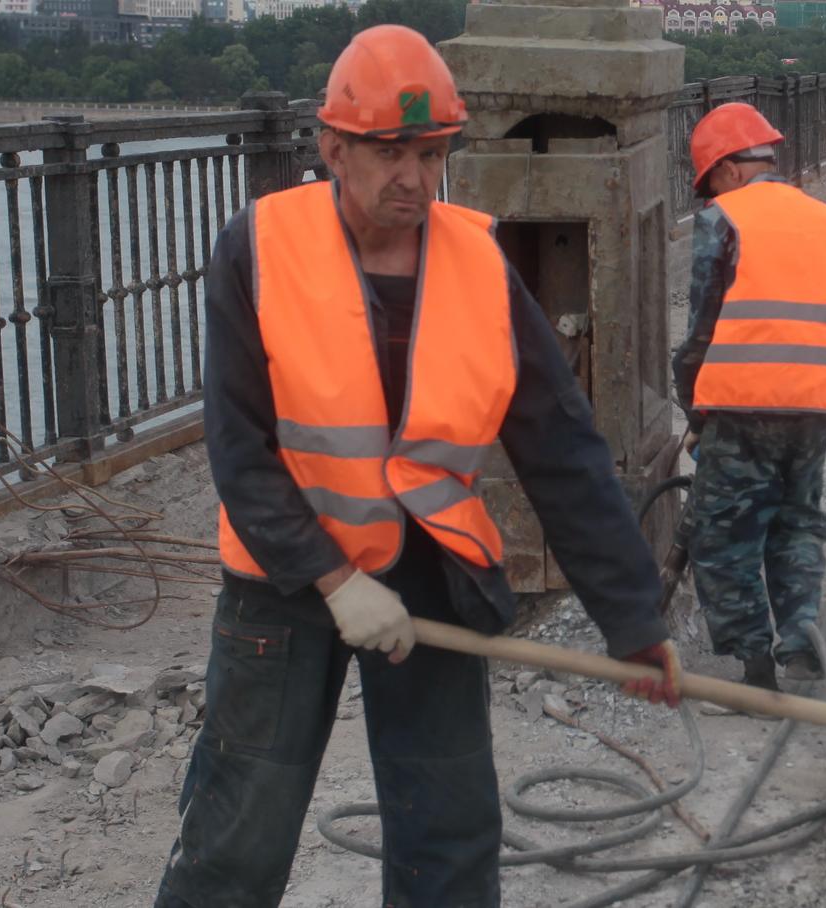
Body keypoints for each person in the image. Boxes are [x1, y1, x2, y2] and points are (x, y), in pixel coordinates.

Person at [156, 25, 684, 908]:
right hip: (286, 578)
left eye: (430, 152)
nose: (412, 176)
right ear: (332, 148)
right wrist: (330, 578)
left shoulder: (481, 264)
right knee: (237, 832)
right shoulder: (259, 247)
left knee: (449, 836)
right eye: (388, 151)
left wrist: (630, 617)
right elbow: (238, 447)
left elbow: (561, 449)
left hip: (432, 567)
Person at [671, 102, 826, 691]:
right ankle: (801, 638)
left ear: (727, 170)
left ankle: (754, 663)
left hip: (744, 399)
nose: (709, 198)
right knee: (798, 518)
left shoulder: (724, 218)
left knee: (724, 530)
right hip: (817, 398)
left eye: (708, 186)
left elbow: (704, 326)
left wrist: (692, 405)